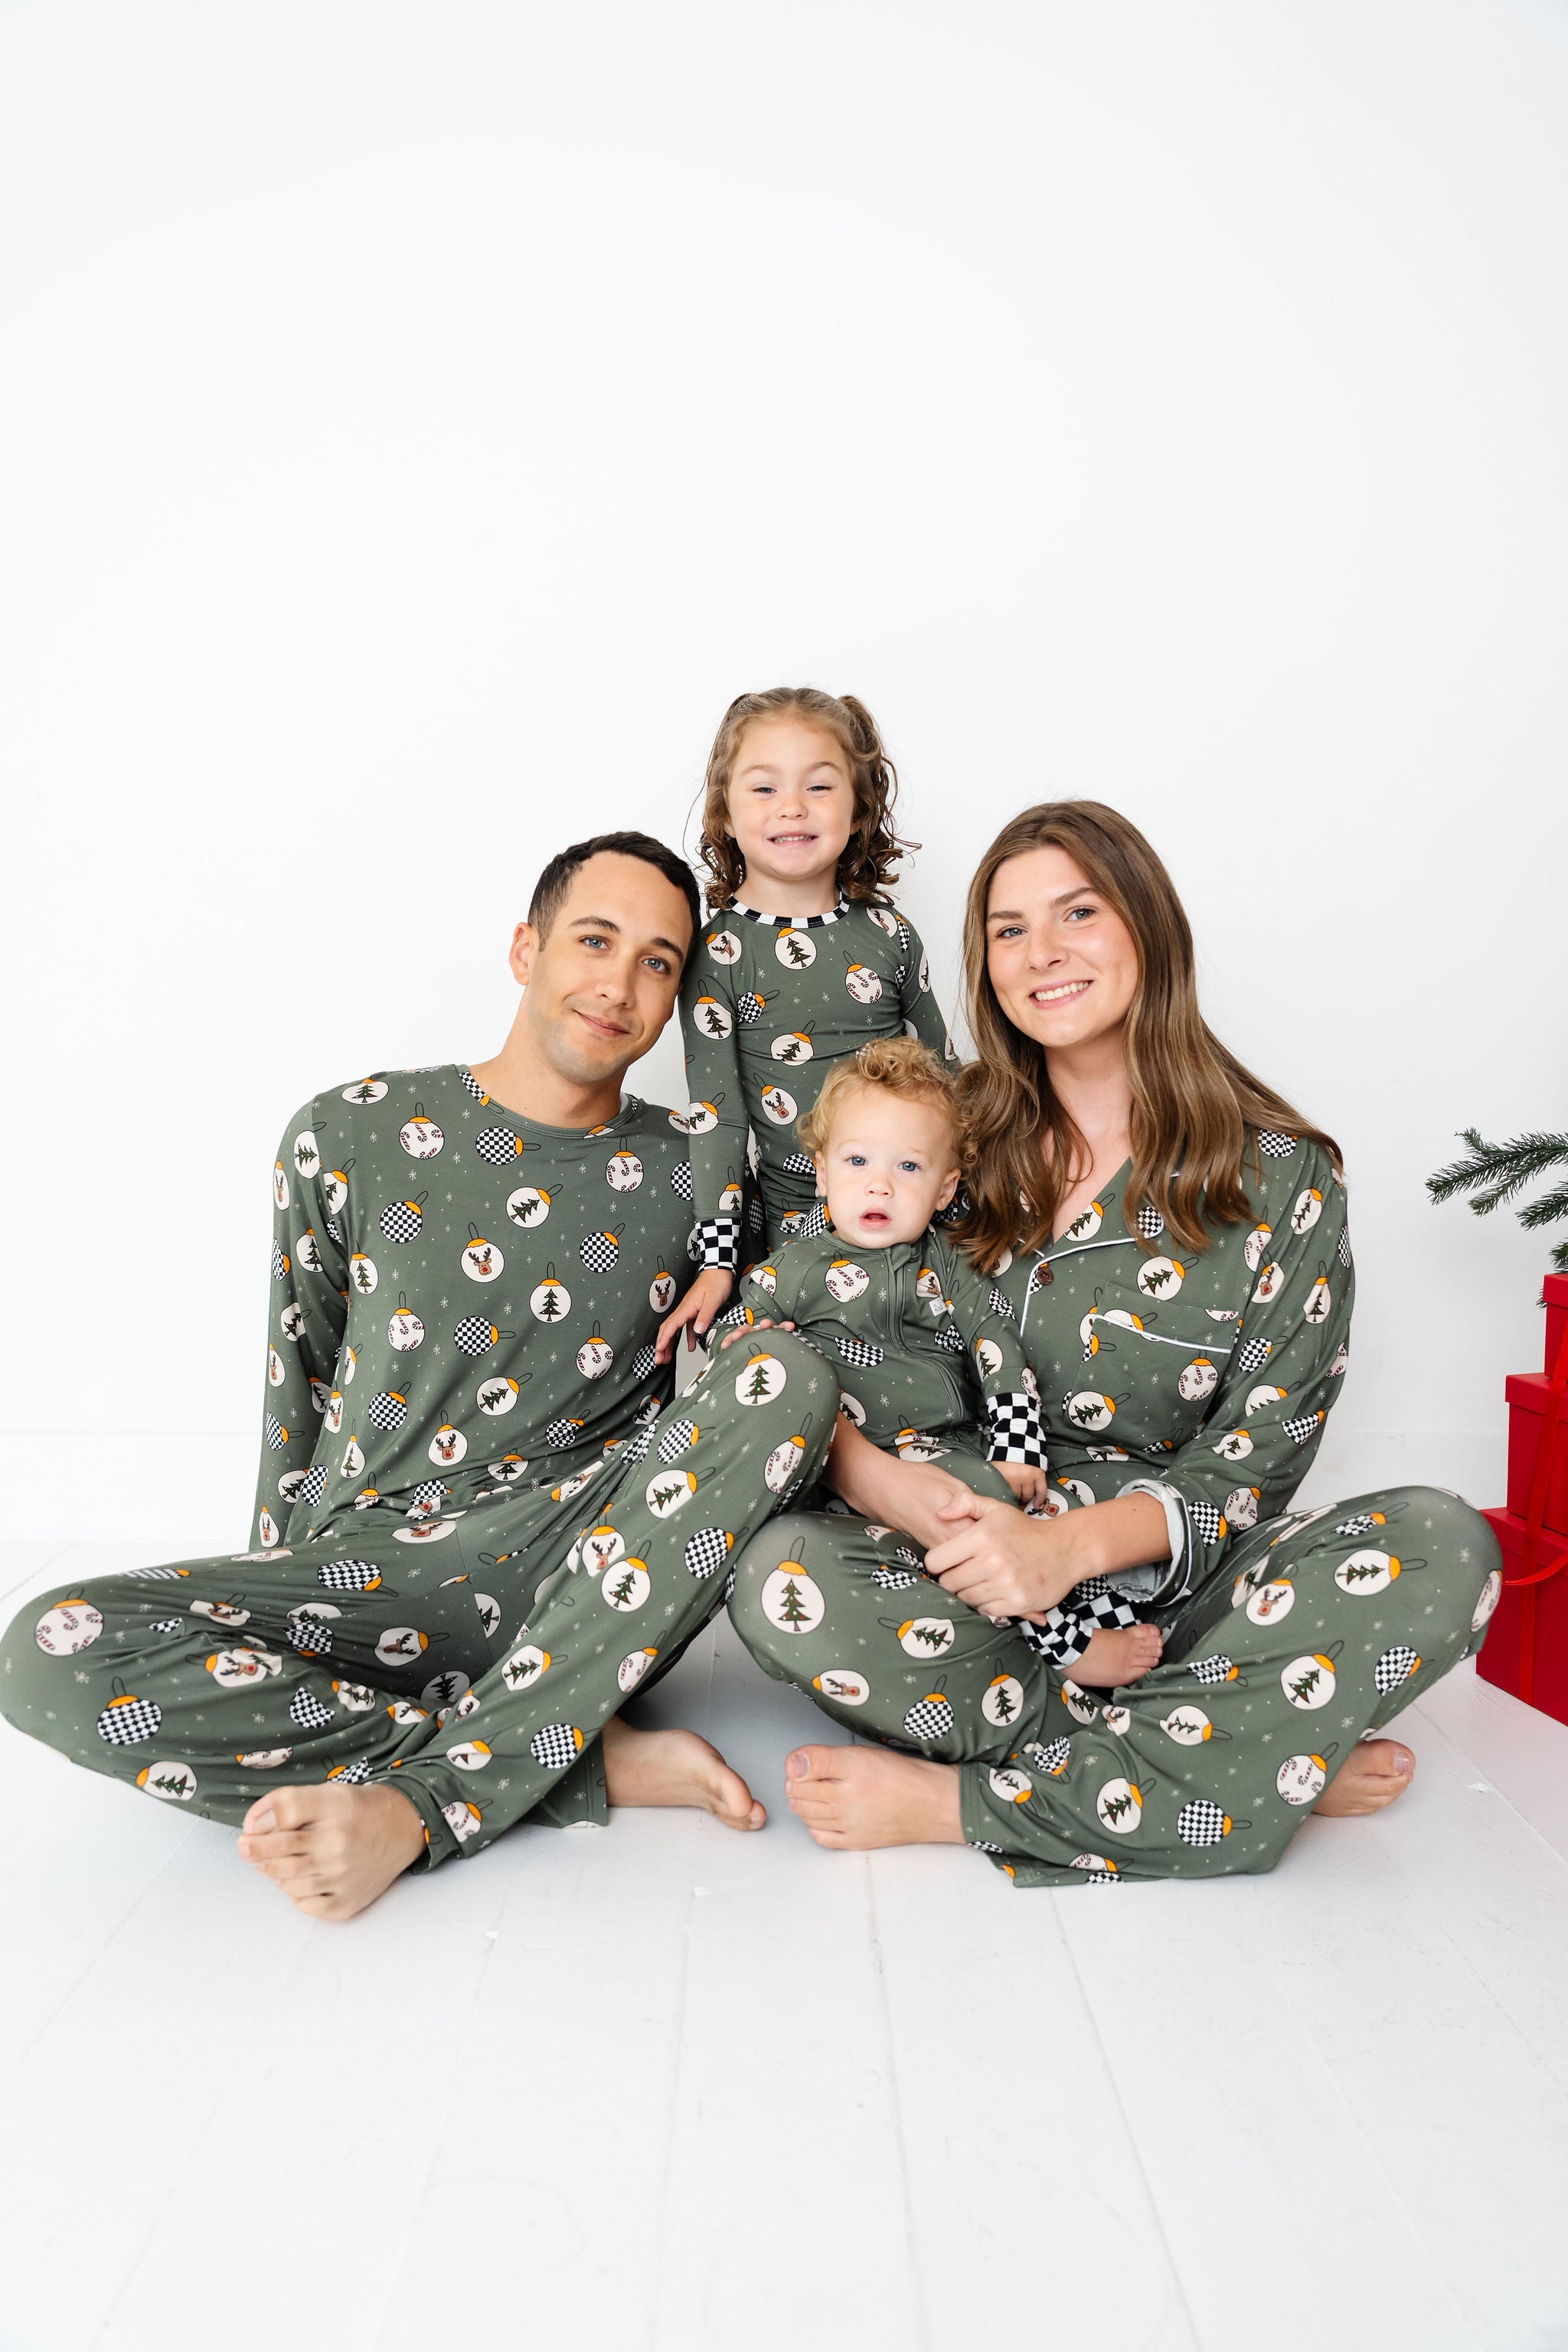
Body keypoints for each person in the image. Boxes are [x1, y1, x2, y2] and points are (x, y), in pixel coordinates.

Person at [1, 832, 839, 1919]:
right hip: (363, 1573)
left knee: (788, 1370)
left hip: (576, 1583)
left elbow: (857, 1246)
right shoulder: (349, 1132)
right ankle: (565, 1762)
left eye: (659, 963)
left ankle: (434, 1796)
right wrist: (276, 1601)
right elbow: (291, 1380)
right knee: (42, 1650)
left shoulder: (699, 1165)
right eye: (595, 940)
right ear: (524, 948)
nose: (621, 984)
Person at [724, 801, 1503, 1884]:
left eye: (1078, 912)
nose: (1041, 953)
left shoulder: (1283, 1177)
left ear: (1148, 926)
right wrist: (889, 1487)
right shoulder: (941, 1151)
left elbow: (1256, 1465)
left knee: (1446, 1546)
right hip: (969, 1583)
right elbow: (812, 1329)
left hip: (1186, 1596)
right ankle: (1247, 1757)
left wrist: (1070, 1553)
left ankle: (974, 1802)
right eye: (1006, 929)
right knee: (775, 1571)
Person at [722, 1035, 1161, 1687]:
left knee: (988, 1506)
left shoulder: (948, 1264)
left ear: (944, 1186)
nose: (878, 1183)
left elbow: (997, 1351)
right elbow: (742, 1331)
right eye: (857, 1160)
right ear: (821, 1172)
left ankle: (1061, 1627)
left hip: (940, 1449)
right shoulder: (797, 1266)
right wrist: (756, 1343)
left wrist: (1019, 1452)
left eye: (908, 1168)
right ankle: (1053, 1643)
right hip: (833, 1471)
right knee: (805, 1552)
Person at [658, 686, 956, 1357]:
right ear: (726, 813)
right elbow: (717, 1113)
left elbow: (944, 1077)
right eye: (764, 788)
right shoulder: (719, 954)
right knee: (790, 1365)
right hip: (797, 1222)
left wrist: (966, 1200)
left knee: (926, 1356)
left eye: (819, 786)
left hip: (911, 1211)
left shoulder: (889, 934)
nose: (792, 806)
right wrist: (718, 1260)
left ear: (857, 811)